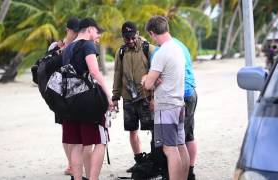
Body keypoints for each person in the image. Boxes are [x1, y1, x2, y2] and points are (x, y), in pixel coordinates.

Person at [62, 17, 112, 180]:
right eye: (97, 32)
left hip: (68, 101)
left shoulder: (67, 48)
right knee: (100, 141)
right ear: (90, 29)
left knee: (76, 143)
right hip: (87, 101)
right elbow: (95, 72)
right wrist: (108, 95)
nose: (98, 37)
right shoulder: (88, 45)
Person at [142, 15, 190, 180]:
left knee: (169, 149)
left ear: (152, 33)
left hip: (166, 106)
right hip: (179, 103)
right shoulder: (178, 48)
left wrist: (146, 79)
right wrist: (154, 79)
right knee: (180, 145)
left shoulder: (162, 53)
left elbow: (148, 84)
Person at [112, 21, 155, 172]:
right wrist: (115, 97)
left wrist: (154, 98)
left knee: (153, 129)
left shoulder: (148, 48)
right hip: (128, 98)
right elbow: (117, 74)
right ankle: (139, 161)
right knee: (132, 130)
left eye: (132, 37)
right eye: (126, 38)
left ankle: (155, 160)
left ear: (137, 34)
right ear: (123, 37)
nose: (130, 41)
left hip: (146, 97)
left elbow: (157, 73)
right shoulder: (121, 52)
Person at [47, 17, 79, 176]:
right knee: (66, 130)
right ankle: (71, 164)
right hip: (59, 95)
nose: (77, 34)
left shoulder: (81, 44)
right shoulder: (55, 46)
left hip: (78, 94)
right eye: (75, 31)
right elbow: (47, 68)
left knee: (77, 129)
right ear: (68, 30)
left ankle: (76, 163)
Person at [174, 38, 198, 180]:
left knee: (179, 137)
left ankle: (184, 172)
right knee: (189, 134)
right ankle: (190, 171)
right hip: (191, 93)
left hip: (182, 94)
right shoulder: (180, 44)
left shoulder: (166, 48)